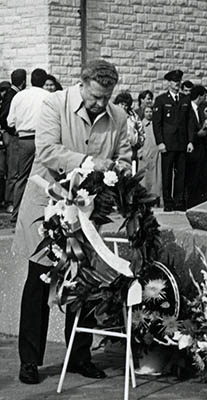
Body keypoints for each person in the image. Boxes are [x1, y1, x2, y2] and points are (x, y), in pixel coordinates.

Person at [14, 59, 132, 385]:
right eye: (94, 97)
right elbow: (47, 150)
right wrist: (89, 162)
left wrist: (121, 169)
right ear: (82, 84)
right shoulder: (54, 103)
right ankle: (29, 360)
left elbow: (123, 158)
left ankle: (79, 355)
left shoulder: (118, 117)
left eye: (105, 99)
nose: (99, 104)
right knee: (39, 284)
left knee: (85, 282)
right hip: (47, 209)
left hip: (88, 214)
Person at [7, 68, 49, 222]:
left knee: (22, 177)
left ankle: (17, 212)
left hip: (24, 138)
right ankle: (40, 211)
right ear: (44, 82)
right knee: (43, 176)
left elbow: (10, 121)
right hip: (42, 138)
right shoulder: (48, 96)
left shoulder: (19, 96)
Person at [153, 69, 193, 211]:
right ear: (169, 83)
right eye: (174, 82)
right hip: (168, 144)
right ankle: (168, 203)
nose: (177, 84)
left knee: (181, 174)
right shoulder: (161, 100)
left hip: (182, 143)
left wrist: (190, 141)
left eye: (178, 82)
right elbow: (157, 123)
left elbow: (189, 121)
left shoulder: (185, 99)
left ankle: (179, 202)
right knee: (167, 174)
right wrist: (160, 142)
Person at [0, 68, 27, 214]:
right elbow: (4, 117)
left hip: (14, 135)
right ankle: (10, 200)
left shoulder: (13, 94)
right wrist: (12, 131)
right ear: (24, 81)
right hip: (13, 137)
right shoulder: (12, 95)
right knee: (13, 170)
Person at [185, 85, 207, 208]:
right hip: (192, 147)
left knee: (201, 176)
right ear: (200, 96)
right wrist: (197, 135)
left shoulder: (199, 110)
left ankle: (199, 201)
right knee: (192, 177)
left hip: (201, 148)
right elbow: (187, 128)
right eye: (204, 95)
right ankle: (191, 202)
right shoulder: (188, 109)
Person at [138, 105, 162, 204]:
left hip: (155, 153)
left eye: (151, 112)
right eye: (147, 112)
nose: (149, 114)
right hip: (144, 153)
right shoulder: (140, 124)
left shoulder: (156, 124)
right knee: (144, 177)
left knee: (156, 177)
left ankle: (155, 198)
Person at [114, 90, 145, 161]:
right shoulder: (112, 116)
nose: (124, 107)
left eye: (126, 105)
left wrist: (139, 142)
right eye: (122, 104)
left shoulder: (133, 116)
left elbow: (141, 130)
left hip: (132, 148)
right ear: (117, 104)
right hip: (117, 149)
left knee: (132, 170)